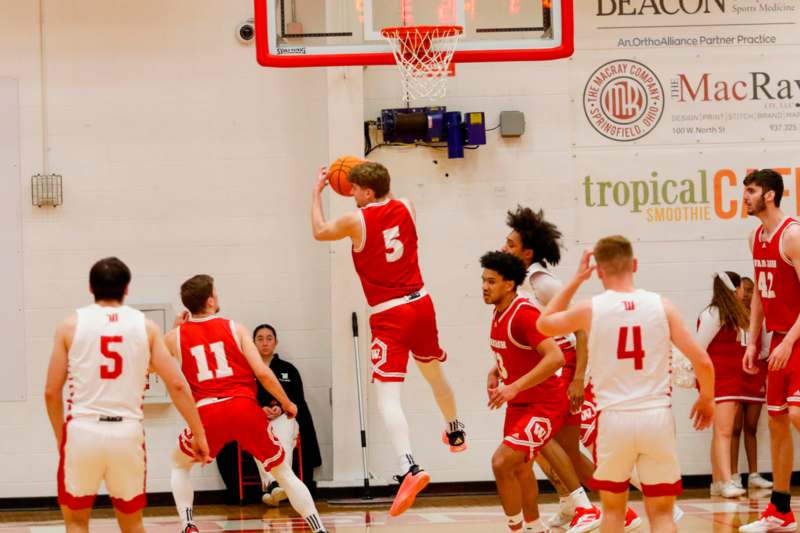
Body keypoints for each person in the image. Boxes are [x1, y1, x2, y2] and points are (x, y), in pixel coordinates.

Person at [311, 161, 465, 516]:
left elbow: (319, 231)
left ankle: (410, 466)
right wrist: (369, 176)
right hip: (422, 303)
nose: (349, 193)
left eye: (353, 189)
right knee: (433, 374)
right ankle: (455, 430)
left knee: (386, 395)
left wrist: (317, 191)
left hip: (389, 313)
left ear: (366, 192)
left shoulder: (355, 220)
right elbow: (387, 196)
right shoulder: (407, 205)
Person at [537, 236, 715, 533]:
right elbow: (703, 361)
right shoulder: (663, 306)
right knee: (662, 516)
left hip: (614, 421)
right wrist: (707, 398)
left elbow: (544, 323)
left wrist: (576, 280)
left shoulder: (590, 308)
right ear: (634, 264)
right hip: (656, 418)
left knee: (613, 515)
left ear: (598, 270)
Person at [43, 257, 210, 533]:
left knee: (75, 522)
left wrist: (62, 439)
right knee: (132, 525)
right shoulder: (145, 327)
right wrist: (199, 433)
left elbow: (51, 392)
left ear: (90, 287)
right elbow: (178, 384)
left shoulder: (70, 326)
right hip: (127, 434)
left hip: (82, 431)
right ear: (127, 288)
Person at [166, 275, 327, 533]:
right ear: (209, 300)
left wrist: (174, 329)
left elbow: (153, 363)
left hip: (207, 412)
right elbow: (263, 373)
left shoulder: (174, 337)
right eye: (215, 293)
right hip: (243, 407)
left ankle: (188, 524)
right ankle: (318, 528)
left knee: (179, 465)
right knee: (284, 472)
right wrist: (288, 403)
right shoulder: (235, 328)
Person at [501, 206, 609, 532]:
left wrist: (578, 378)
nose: (504, 248)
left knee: (550, 444)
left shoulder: (541, 282)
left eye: (510, 244)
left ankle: (602, 505)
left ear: (527, 252)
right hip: (552, 368)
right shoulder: (520, 283)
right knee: (553, 449)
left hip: (566, 367)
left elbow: (582, 328)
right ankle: (570, 504)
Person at [480, 251, 567, 532]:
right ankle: (535, 526)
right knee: (519, 469)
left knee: (501, 462)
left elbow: (555, 358)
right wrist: (496, 370)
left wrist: (513, 386)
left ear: (509, 284)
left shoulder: (525, 313)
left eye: (491, 281)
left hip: (544, 403)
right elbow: (519, 350)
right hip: (520, 404)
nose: (484, 286)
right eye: (483, 280)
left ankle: (516, 529)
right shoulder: (499, 310)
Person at [739, 169, 800, 533]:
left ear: (771, 196)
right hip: (778, 338)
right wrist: (753, 339)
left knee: (795, 413)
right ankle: (780, 508)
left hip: (798, 337)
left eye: (751, 191)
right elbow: (761, 291)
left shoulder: (792, 235)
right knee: (777, 420)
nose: (744, 197)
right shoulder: (755, 238)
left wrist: (790, 341)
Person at [252, 323, 322, 504]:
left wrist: (282, 408)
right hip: (259, 419)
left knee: (283, 430)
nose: (265, 343)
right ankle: (274, 484)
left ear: (276, 342)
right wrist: (260, 409)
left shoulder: (288, 369)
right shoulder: (248, 370)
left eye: (269, 338)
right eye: (260, 339)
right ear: (253, 343)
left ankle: (274, 484)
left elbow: (298, 398)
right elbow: (242, 397)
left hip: (286, 417)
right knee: (256, 433)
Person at [695, 272, 750, 498]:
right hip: (717, 379)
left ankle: (718, 481)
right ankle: (727, 480)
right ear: (733, 289)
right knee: (724, 431)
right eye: (741, 289)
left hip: (732, 377)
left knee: (721, 431)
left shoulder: (732, 315)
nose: (743, 293)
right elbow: (698, 348)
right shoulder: (712, 314)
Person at [729, 276, 772, 491]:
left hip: (754, 377)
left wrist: (756, 364)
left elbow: (765, 348)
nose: (746, 295)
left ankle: (753, 474)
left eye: (750, 291)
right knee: (734, 427)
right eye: (744, 290)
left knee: (751, 427)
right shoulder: (728, 318)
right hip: (735, 378)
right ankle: (733, 475)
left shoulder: (760, 320)